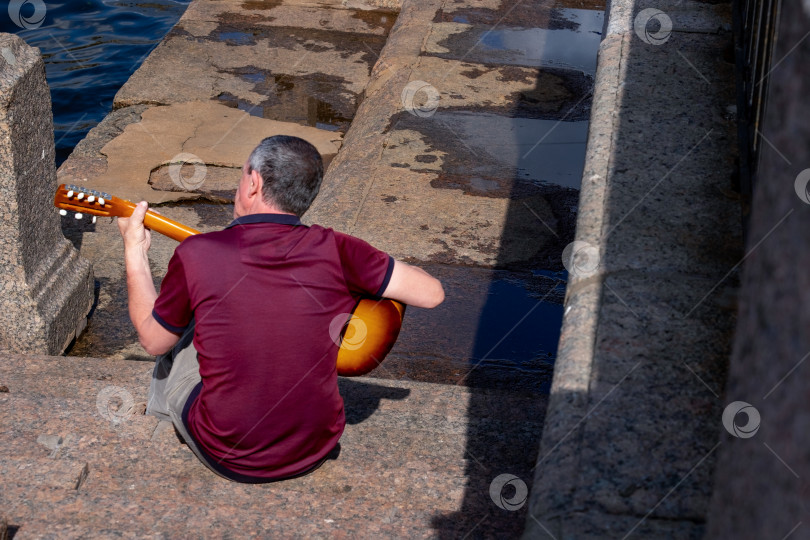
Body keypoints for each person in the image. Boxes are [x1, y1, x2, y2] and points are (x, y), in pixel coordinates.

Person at [117, 135, 444, 482]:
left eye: (242, 175)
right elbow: (432, 293)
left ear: (254, 183)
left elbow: (152, 342)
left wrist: (134, 251)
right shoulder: (338, 249)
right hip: (315, 448)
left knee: (181, 326)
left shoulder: (197, 254)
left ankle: (163, 417)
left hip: (228, 453)